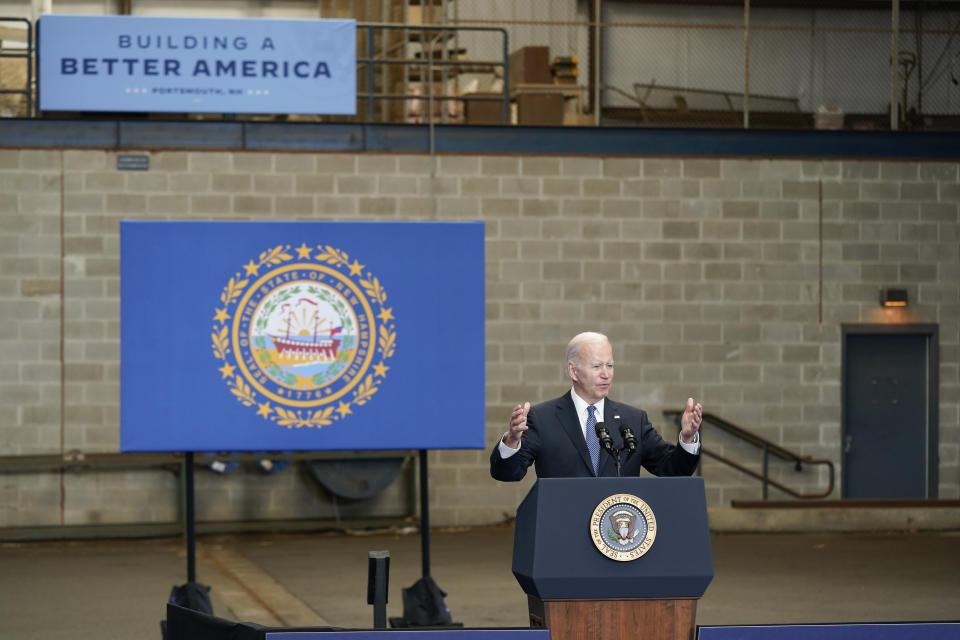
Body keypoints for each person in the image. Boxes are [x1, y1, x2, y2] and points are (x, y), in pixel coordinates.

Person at [490, 331, 702, 481]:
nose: (606, 374)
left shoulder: (633, 419)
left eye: (610, 365)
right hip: (562, 531)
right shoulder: (543, 418)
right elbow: (508, 474)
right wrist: (511, 441)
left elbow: (672, 469)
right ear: (573, 371)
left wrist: (687, 438)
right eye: (597, 366)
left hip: (617, 534)